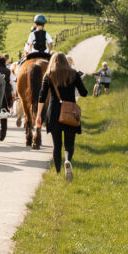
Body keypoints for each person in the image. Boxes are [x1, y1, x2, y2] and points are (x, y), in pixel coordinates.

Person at [36, 51, 88, 181]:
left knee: (57, 145)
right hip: (70, 112)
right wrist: (79, 81)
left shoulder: (49, 75)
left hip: (54, 112)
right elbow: (84, 93)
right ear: (65, 61)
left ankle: (58, 172)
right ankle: (68, 161)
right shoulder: (73, 74)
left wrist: (38, 115)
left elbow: (42, 97)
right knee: (69, 144)